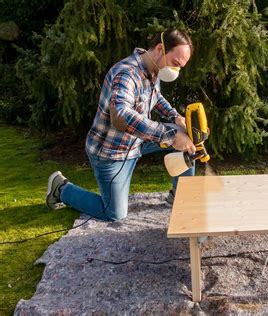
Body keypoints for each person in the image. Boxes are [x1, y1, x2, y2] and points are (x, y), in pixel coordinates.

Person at [45, 29, 196, 221]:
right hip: (111, 152)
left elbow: (156, 98)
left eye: (181, 67)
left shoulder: (153, 70)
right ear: (160, 49)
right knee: (114, 214)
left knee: (189, 139)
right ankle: (62, 188)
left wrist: (175, 118)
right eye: (175, 63)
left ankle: (180, 195)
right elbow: (122, 116)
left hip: (137, 142)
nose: (177, 71)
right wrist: (172, 136)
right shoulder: (126, 73)